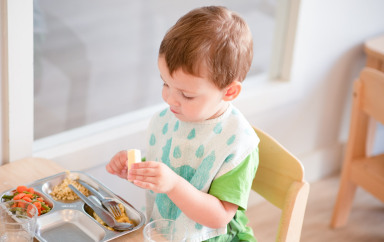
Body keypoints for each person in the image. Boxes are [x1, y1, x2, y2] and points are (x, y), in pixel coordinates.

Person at [106, 6, 259, 241]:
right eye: (165, 84)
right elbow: (175, 166)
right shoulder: (174, 118)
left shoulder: (238, 144)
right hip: (166, 233)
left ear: (229, 92)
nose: (169, 99)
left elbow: (219, 217)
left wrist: (172, 184)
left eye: (186, 94)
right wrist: (140, 169)